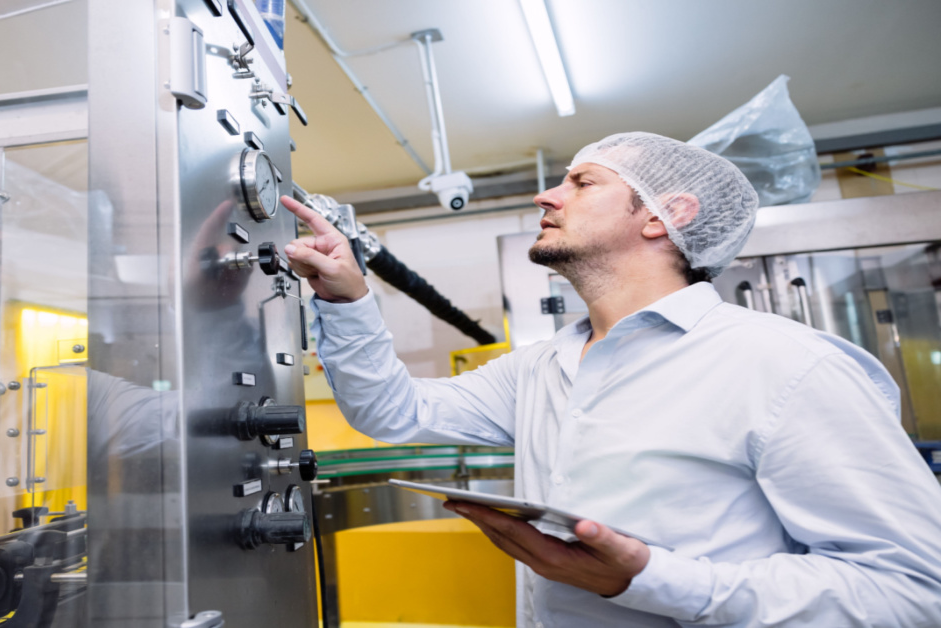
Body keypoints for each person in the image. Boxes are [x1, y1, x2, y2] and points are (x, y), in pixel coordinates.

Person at [279, 132, 941, 627]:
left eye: (582, 183)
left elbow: (912, 590)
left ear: (664, 215)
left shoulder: (786, 364)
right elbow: (396, 413)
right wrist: (345, 299)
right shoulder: (544, 366)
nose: (546, 194)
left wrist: (652, 579)